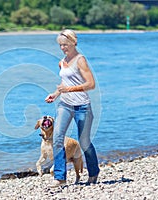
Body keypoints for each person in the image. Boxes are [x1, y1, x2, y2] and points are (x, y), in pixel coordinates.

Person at [45, 29, 100, 187]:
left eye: (65, 44)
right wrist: (56, 94)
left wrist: (69, 90)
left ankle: (94, 171)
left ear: (73, 42)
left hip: (82, 106)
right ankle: (60, 177)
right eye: (61, 45)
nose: (63, 48)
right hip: (65, 105)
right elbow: (65, 84)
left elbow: (91, 84)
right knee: (57, 139)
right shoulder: (61, 62)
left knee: (84, 142)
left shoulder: (80, 60)